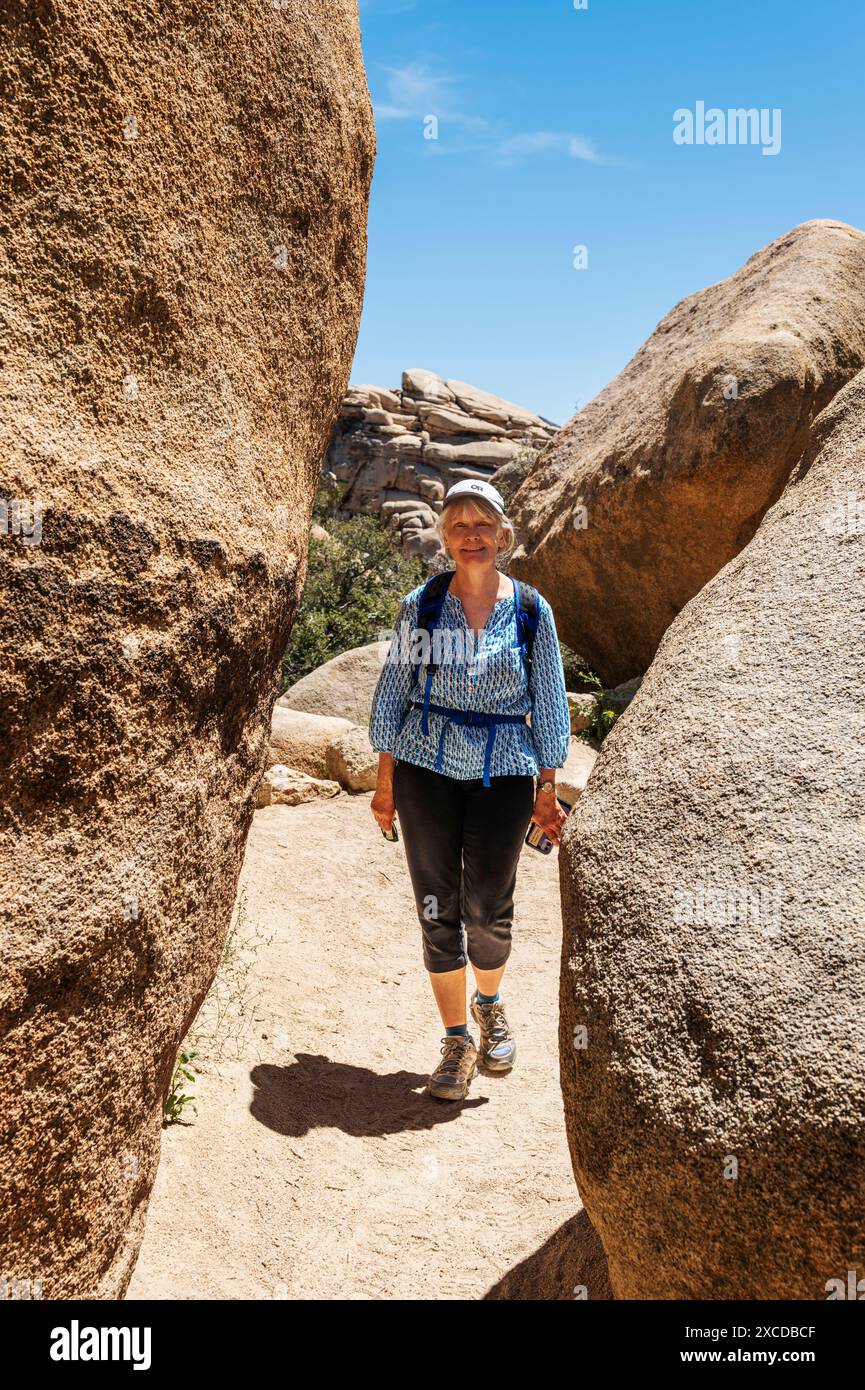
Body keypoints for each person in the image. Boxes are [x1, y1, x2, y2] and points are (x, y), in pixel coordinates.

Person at [368, 478, 571, 1100]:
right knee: (437, 908)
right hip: (425, 768)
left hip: (505, 768)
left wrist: (548, 786)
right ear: (445, 538)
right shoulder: (422, 607)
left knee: (488, 906)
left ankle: (489, 1003)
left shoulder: (532, 610)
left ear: (503, 536)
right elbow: (394, 692)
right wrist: (385, 785)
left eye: (482, 524)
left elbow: (549, 702)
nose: (471, 535)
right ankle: (456, 1041)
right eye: (458, 525)